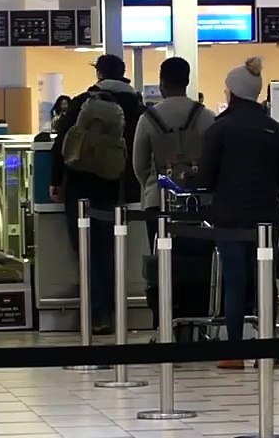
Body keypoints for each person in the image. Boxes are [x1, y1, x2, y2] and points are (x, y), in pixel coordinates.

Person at [198, 58, 279, 369]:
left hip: (230, 216)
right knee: (266, 279)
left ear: (233, 93)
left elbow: (206, 179)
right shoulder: (275, 129)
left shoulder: (219, 129)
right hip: (267, 213)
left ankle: (234, 350)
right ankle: (268, 345)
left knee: (235, 279)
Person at [50, 54, 144, 335]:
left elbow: (62, 143)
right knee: (112, 251)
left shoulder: (83, 102)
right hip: (116, 189)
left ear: (100, 74)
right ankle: (115, 314)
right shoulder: (135, 107)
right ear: (124, 73)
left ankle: (97, 314)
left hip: (80, 187)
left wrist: (56, 181)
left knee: (87, 252)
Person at [132, 56, 215, 246]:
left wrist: (151, 185)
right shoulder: (207, 116)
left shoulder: (147, 118)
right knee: (200, 262)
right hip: (199, 201)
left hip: (158, 201)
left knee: (161, 260)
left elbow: (140, 164)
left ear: (162, 82)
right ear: (187, 81)